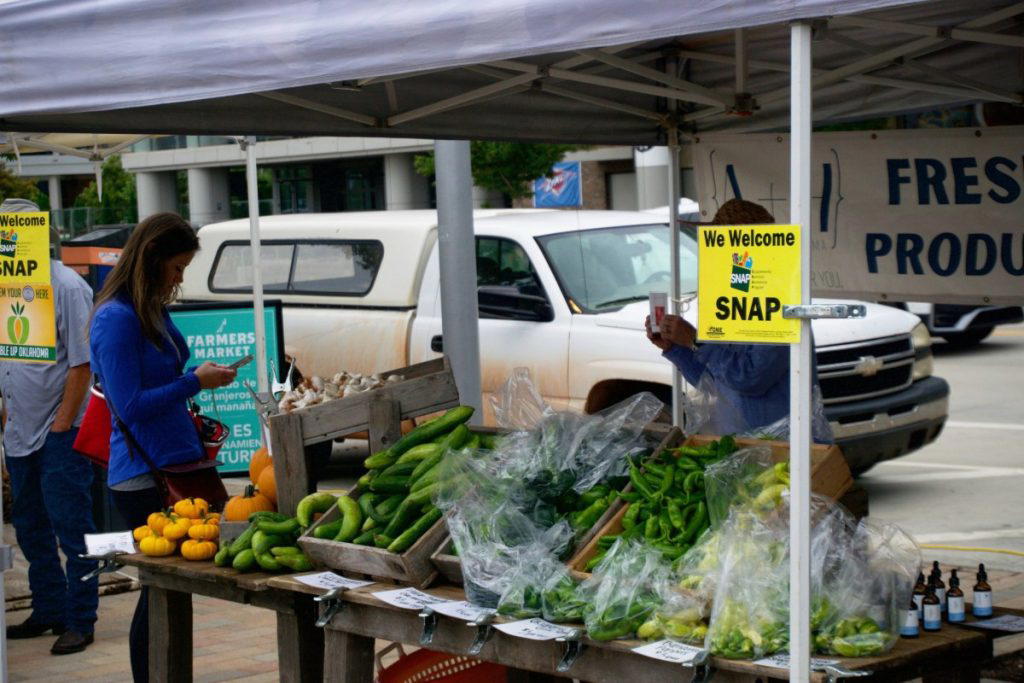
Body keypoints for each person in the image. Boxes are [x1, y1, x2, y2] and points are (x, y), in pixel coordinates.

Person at [89, 212, 236, 682]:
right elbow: (129, 405)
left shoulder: (150, 306)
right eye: (176, 268)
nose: (179, 278)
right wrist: (194, 381)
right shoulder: (115, 318)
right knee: (159, 592)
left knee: (173, 592)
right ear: (151, 260)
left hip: (178, 464)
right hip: (144, 475)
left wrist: (195, 377)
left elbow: (168, 372)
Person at [0, 198, 98, 654]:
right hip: (20, 433)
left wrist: (62, 426)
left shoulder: (65, 286)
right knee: (30, 527)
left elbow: (82, 365)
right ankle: (49, 608)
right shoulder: (7, 287)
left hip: (60, 432)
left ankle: (80, 618)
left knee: (72, 526)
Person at [646, 199, 825, 438]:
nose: (720, 257)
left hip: (784, 444)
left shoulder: (780, 300)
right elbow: (714, 379)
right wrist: (676, 349)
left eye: (725, 246)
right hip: (740, 442)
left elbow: (750, 379)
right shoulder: (731, 295)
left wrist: (695, 340)